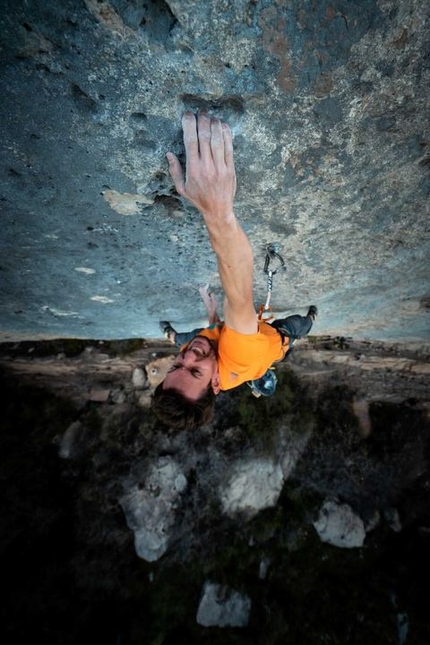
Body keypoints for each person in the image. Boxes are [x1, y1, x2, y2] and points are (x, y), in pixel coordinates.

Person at [151, 111, 317, 430]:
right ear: (216, 383)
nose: (190, 356)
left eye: (177, 365)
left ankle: (169, 332)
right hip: (275, 342)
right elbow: (239, 296)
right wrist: (217, 211)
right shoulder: (239, 356)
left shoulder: (198, 354)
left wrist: (212, 317)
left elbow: (200, 348)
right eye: (195, 371)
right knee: (296, 327)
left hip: (229, 338)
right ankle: (311, 320)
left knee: (186, 337)